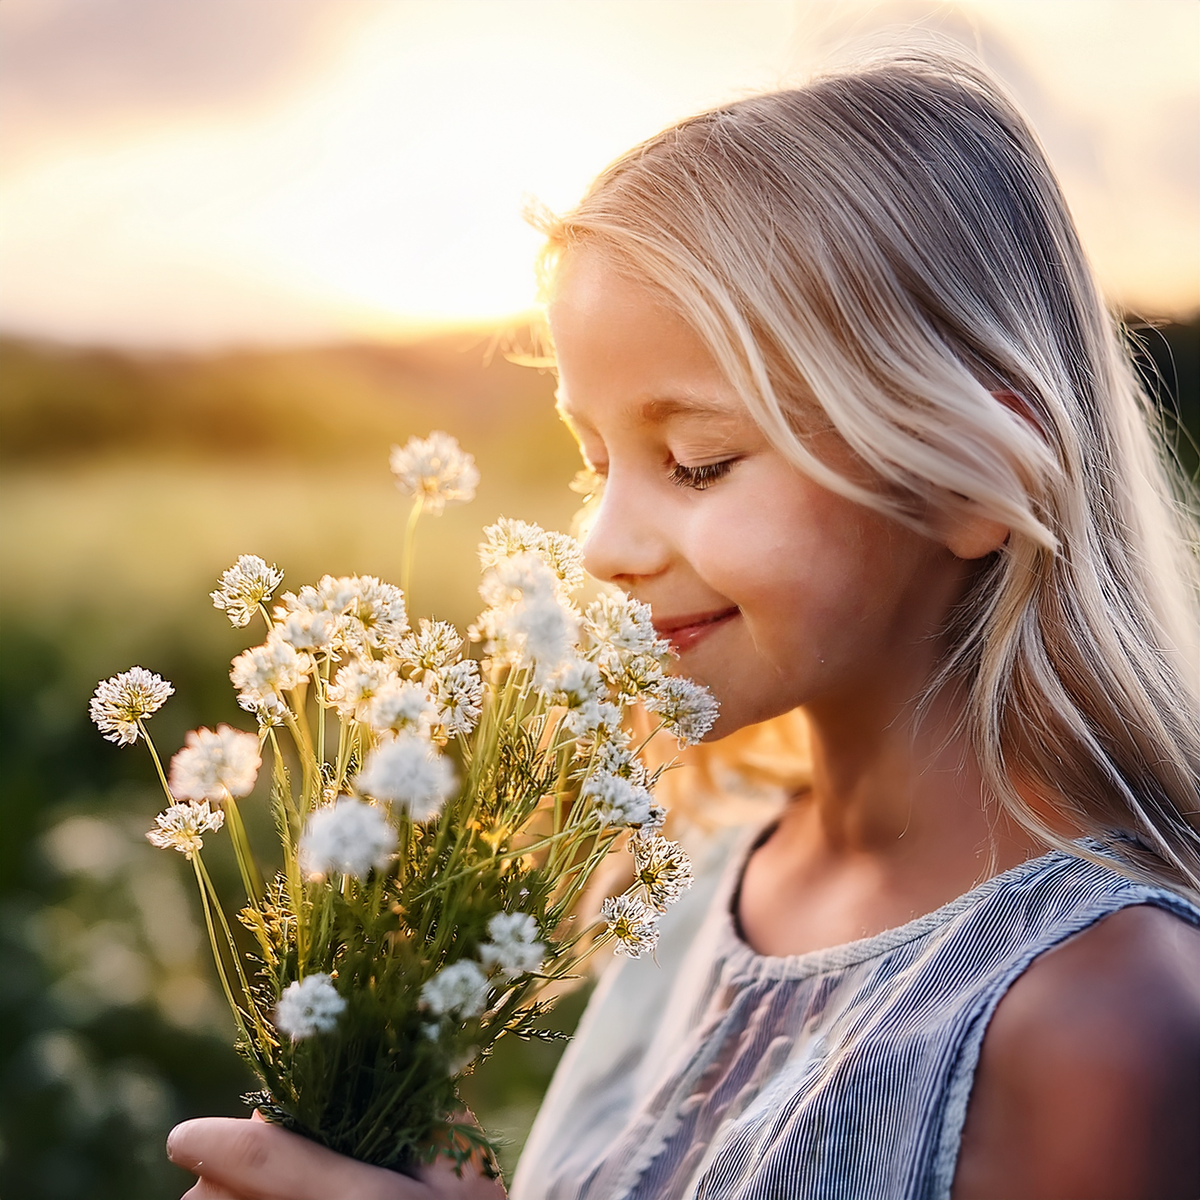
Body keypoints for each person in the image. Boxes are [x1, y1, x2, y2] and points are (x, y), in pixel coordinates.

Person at [166, 47, 1200, 1200]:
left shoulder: (1103, 1017)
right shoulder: (696, 881)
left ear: (968, 482)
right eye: (593, 461)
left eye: (697, 462)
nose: (605, 546)